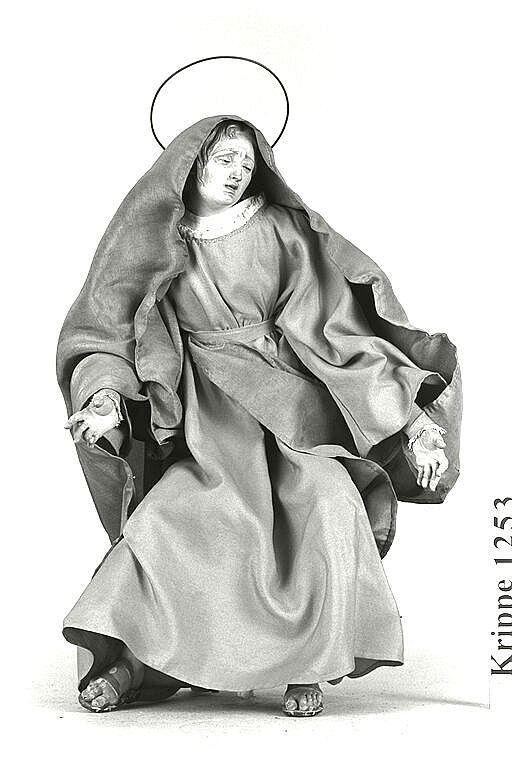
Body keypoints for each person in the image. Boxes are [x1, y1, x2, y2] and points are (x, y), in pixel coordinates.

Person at [57, 116, 461, 717]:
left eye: (248, 162)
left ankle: (310, 663)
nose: (238, 172)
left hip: (290, 411)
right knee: (167, 524)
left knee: (329, 502)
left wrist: (411, 420)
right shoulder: (149, 239)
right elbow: (107, 332)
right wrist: (105, 395)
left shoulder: (280, 231)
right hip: (207, 426)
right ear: (191, 163)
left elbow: (337, 332)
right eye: (224, 158)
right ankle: (131, 665)